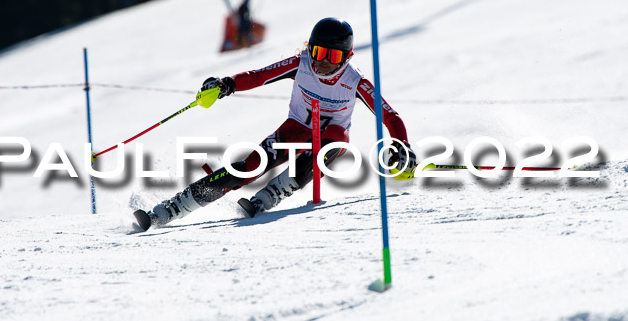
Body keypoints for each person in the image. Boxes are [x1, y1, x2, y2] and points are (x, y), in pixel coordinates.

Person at [133, 17, 417, 231]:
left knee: (334, 137)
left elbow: (390, 116)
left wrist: (401, 145)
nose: (322, 62)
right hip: (292, 131)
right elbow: (258, 75)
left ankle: (274, 193)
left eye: (331, 56)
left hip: (330, 141)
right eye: (317, 51)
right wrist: (227, 84)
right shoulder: (301, 63)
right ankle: (173, 208)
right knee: (244, 169)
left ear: (347, 56)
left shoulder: (355, 81)